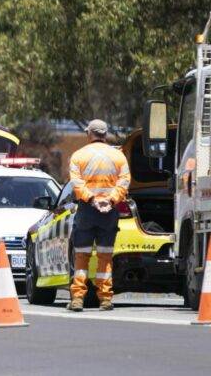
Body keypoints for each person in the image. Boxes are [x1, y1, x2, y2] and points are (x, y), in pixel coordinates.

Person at [67, 119, 130, 311]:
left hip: (87, 211)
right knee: (105, 256)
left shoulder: (78, 156)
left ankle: (78, 299)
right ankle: (105, 299)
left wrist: (92, 200)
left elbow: (77, 184)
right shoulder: (119, 156)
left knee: (81, 257)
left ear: (89, 134)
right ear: (105, 134)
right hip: (109, 212)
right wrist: (110, 200)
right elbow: (125, 182)